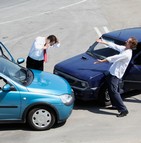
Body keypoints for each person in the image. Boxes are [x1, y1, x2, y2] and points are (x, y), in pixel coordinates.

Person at [94, 37, 138, 117]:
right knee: (112, 90)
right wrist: (103, 42)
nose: (125, 41)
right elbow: (115, 46)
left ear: (131, 44)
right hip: (112, 72)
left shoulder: (127, 54)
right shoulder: (125, 49)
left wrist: (103, 60)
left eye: (127, 41)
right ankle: (115, 105)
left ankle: (124, 110)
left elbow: (114, 58)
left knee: (114, 92)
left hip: (115, 75)